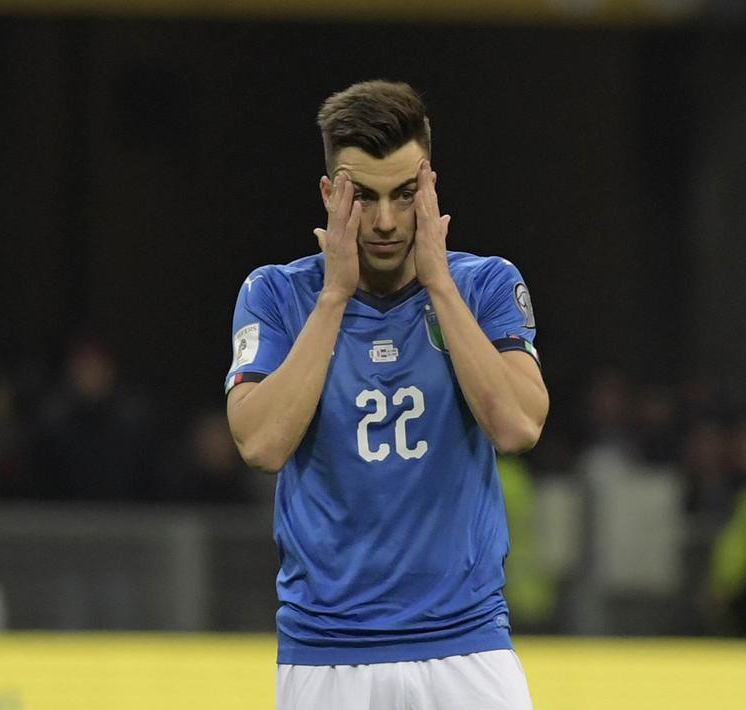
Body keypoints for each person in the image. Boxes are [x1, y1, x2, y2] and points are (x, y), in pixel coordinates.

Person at [224, 80, 548, 709]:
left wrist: (440, 286)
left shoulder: (483, 285)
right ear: (327, 194)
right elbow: (261, 443)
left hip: (468, 645)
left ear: (430, 188)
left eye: (404, 195)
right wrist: (334, 296)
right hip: (326, 654)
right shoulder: (278, 295)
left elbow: (517, 427)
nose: (384, 221)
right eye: (361, 197)